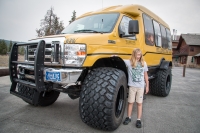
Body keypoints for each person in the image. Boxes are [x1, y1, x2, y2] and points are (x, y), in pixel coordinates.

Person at [123, 48, 149, 128]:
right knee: (130, 102)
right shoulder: (129, 62)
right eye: (137, 54)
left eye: (140, 54)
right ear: (134, 54)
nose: (139, 56)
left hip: (140, 87)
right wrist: (113, 56)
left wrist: (147, 86)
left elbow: (146, 75)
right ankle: (129, 117)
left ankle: (138, 120)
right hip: (132, 87)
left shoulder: (143, 63)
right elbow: (120, 59)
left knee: (139, 103)